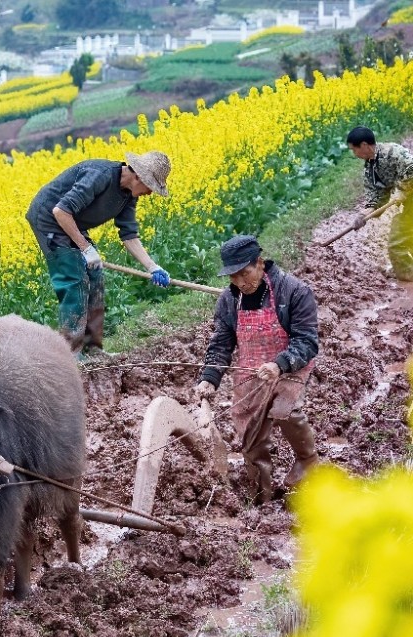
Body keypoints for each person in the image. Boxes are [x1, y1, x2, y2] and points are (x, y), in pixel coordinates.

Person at [194, 235, 319, 501]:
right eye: (233, 277)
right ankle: (261, 492)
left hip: (290, 368)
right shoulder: (229, 300)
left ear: (260, 263)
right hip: (250, 372)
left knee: (286, 411)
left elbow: (307, 341)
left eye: (245, 273)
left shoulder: (293, 291)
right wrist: (210, 378)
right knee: (250, 438)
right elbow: (221, 343)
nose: (240, 282)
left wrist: (279, 364)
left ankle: (307, 461)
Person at [26, 152, 172, 360]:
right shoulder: (100, 176)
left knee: (95, 277)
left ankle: (93, 349)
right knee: (74, 281)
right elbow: (60, 211)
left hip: (71, 222)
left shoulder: (128, 195)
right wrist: (85, 249)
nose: (149, 193)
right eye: (150, 187)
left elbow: (129, 235)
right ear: (138, 176)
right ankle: (71, 354)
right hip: (49, 218)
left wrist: (152, 267)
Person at [346, 126, 413, 282]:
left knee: (397, 245)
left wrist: (402, 189)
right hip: (411, 200)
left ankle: (408, 283)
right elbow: (377, 194)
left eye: (354, 149)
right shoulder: (370, 167)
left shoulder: (392, 151)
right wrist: (364, 214)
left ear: (364, 145)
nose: (354, 154)